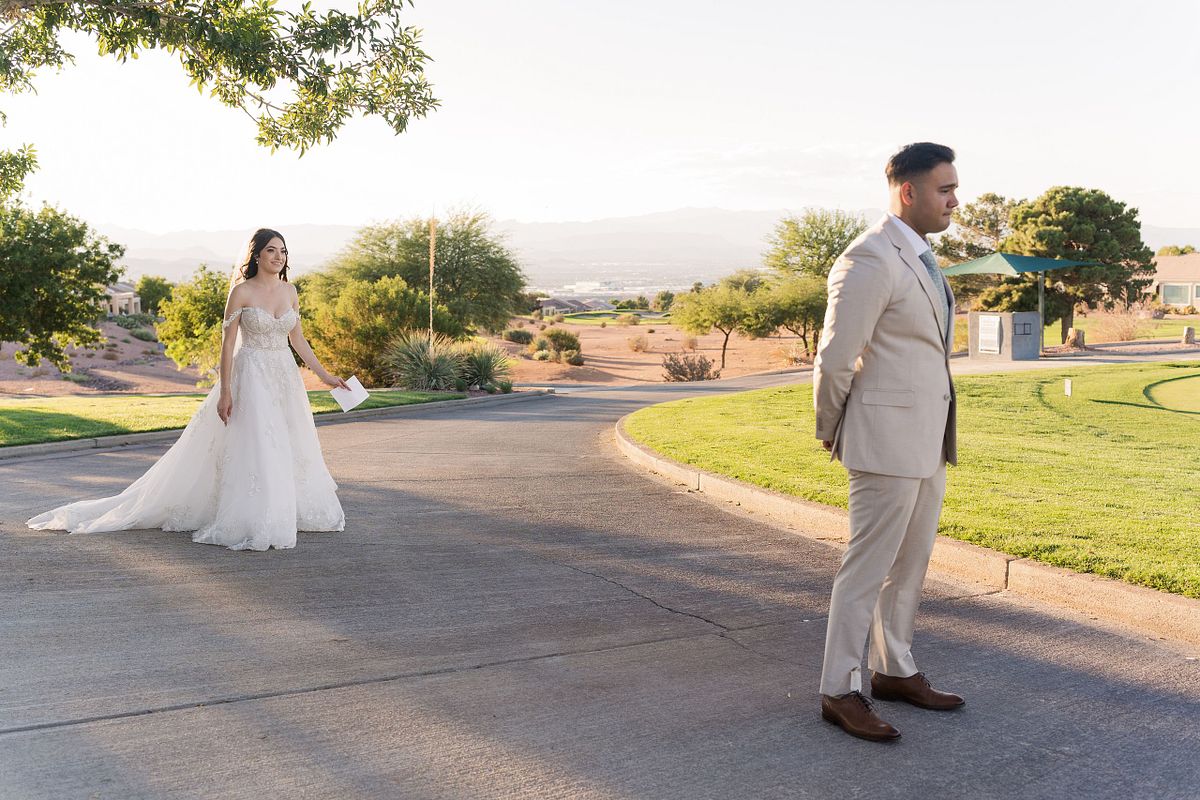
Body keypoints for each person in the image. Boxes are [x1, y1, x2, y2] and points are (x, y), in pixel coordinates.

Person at [28, 228, 349, 551]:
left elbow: (298, 339)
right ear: (256, 256)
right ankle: (255, 515)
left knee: (288, 441)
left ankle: (286, 507)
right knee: (260, 443)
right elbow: (227, 347)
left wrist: (325, 375)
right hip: (251, 374)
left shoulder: (290, 291)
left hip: (284, 376)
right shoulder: (241, 292)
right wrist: (226, 391)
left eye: (283, 251)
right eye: (271, 250)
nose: (278, 256)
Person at [812, 143, 964, 742]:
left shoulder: (921, 256)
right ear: (909, 192)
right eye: (944, 189)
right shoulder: (870, 258)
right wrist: (832, 427)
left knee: (910, 563)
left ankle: (894, 670)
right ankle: (839, 688)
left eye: (954, 187)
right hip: (882, 440)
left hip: (927, 439)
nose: (955, 199)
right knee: (866, 569)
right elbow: (834, 358)